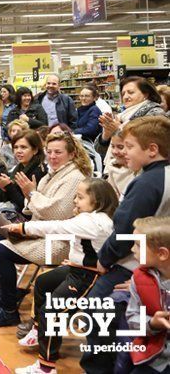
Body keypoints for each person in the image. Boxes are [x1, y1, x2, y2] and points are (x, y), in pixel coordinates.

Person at [81, 116, 170, 372]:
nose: (123, 152)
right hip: (156, 262)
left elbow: (125, 230)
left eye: (129, 146)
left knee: (96, 310)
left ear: (152, 149)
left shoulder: (145, 182)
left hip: (137, 261)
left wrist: (104, 260)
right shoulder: (159, 176)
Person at [0, 133, 92, 328]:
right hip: (41, 232)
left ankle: (8, 310)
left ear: (72, 154)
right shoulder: (52, 174)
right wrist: (29, 195)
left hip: (60, 242)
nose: (52, 156)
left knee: (0, 250)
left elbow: (57, 212)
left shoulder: (74, 177)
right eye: (49, 152)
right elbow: (33, 208)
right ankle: (3, 297)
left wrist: (31, 193)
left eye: (58, 152)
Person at [11, 179, 118, 374]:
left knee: (51, 313)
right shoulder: (92, 217)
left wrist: (24, 228)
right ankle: (38, 331)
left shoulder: (95, 221)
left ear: (98, 201)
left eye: (80, 197)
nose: (75, 201)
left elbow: (57, 227)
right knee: (43, 283)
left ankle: (46, 368)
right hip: (77, 269)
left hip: (87, 276)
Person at [95, 76, 166, 187]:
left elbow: (149, 147)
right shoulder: (121, 116)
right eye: (123, 94)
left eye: (131, 92)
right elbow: (100, 149)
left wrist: (119, 131)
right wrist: (106, 135)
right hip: (118, 174)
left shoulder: (155, 113)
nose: (126, 97)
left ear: (145, 94)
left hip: (141, 176)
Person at [124, 216, 170, 374]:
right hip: (155, 358)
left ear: (162, 254)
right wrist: (152, 323)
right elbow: (132, 317)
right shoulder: (139, 279)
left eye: (137, 245)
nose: (132, 249)